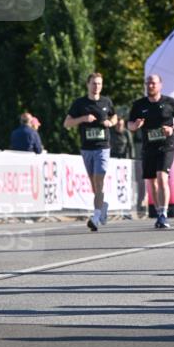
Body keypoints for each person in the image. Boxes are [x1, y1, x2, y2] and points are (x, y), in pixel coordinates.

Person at [128, 73, 174, 229]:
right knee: (152, 182)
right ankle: (159, 212)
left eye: (153, 83)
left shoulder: (169, 102)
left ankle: (164, 213)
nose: (150, 85)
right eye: (148, 83)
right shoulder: (139, 104)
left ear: (160, 85)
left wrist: (173, 128)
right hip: (148, 148)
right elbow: (129, 124)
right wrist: (135, 126)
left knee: (162, 177)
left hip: (166, 147)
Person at [64, 72, 116, 231]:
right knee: (94, 185)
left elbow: (114, 117)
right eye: (93, 83)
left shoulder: (106, 101)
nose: (96, 86)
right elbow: (67, 123)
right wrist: (83, 119)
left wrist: (110, 123)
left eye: (99, 83)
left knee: (99, 181)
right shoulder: (80, 103)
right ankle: (102, 206)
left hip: (102, 147)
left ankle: (96, 217)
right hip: (87, 148)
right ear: (88, 85)